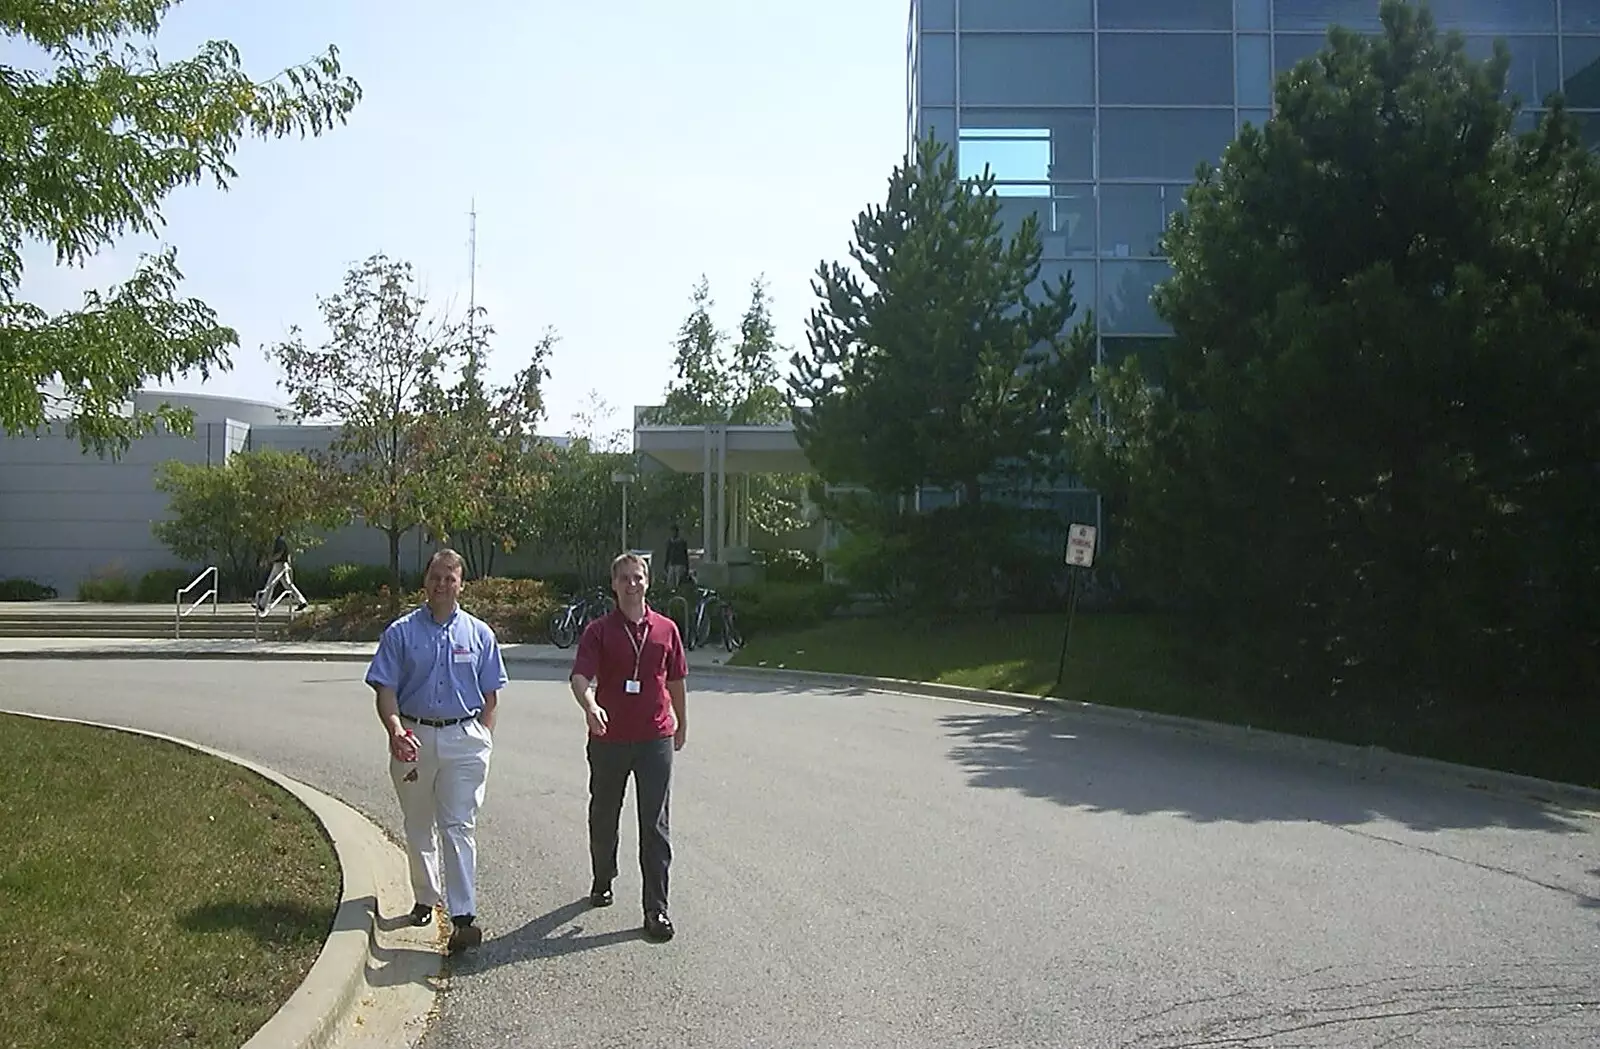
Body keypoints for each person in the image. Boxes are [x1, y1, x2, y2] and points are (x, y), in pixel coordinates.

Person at [365, 548, 508, 955]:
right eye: (435, 577)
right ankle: (426, 897)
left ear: (462, 584)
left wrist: (483, 736)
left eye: (450, 577)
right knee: (418, 822)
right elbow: (385, 689)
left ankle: (463, 917)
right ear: (424, 581)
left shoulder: (480, 634)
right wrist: (395, 729)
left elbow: (491, 693)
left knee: (459, 825)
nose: (442, 584)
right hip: (413, 736)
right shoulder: (401, 633)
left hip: (464, 740)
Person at [569, 551, 688, 942]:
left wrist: (681, 723)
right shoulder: (598, 631)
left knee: (655, 825)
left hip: (655, 738)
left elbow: (675, 681)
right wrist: (590, 705)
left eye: (637, 577)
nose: (631, 583)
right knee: (604, 816)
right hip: (609, 740)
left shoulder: (667, 629)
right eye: (624, 578)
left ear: (647, 582)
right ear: (614, 585)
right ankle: (603, 876)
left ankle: (656, 909)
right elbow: (581, 677)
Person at [255, 533, 308, 613]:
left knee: (277, 584)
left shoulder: (280, 541)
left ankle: (302, 601)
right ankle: (262, 604)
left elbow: (280, 553)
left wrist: (270, 560)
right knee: (274, 584)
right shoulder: (282, 541)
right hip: (279, 564)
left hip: (280, 564)